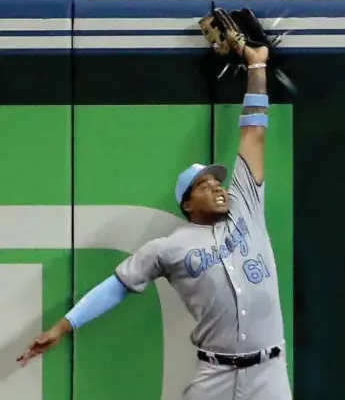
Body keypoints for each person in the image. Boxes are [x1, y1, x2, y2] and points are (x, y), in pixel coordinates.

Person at [17, 24, 291, 400]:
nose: (216, 186)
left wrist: (257, 67)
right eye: (204, 185)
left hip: (269, 374)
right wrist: (63, 327)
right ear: (187, 204)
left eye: (217, 181)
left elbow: (254, 132)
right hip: (215, 374)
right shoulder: (169, 248)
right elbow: (115, 287)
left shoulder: (247, 203)